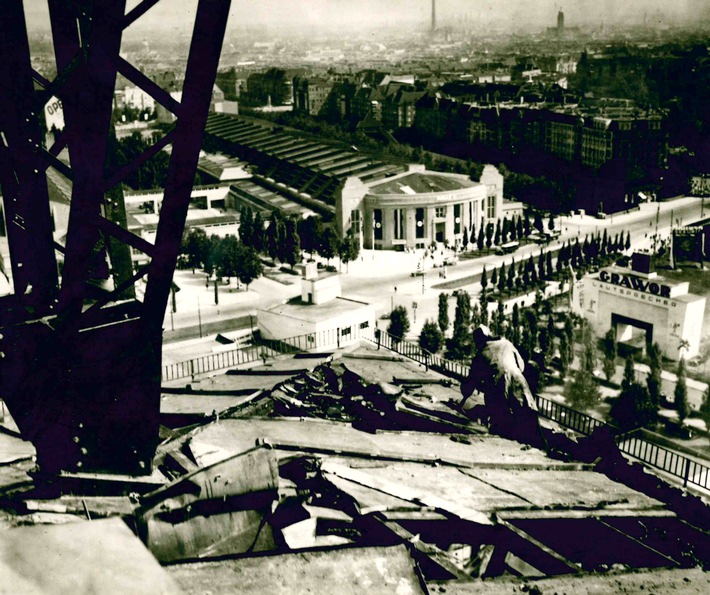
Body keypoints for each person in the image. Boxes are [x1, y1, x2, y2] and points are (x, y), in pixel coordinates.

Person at [460, 325, 546, 449]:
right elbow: (521, 366)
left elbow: (470, 384)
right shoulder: (506, 343)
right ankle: (541, 447)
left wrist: (469, 391)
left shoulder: (480, 355)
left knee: (500, 421)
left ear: (479, 340)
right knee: (528, 415)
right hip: (517, 380)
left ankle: (506, 448)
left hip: (497, 386)